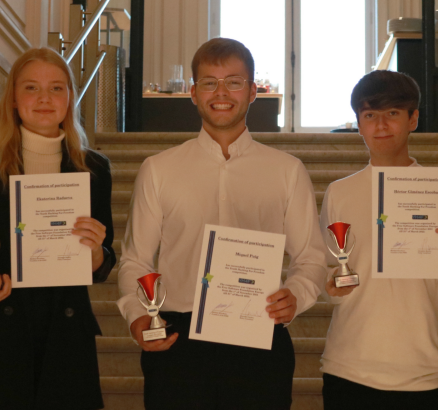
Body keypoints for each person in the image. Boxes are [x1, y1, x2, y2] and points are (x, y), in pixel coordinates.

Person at [116, 37, 326, 409]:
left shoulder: (287, 171)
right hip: (178, 341)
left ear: (252, 92)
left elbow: (310, 258)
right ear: (194, 93)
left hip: (260, 335)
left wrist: (297, 294)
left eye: (234, 81)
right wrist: (136, 317)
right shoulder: (158, 170)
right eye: (210, 82)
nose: (221, 92)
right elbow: (136, 261)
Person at [0, 47, 115, 410]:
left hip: (64, 333)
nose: (44, 98)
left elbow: (104, 263)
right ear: (14, 99)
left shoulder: (94, 168)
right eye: (31, 88)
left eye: (56, 88)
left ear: (69, 98)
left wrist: (96, 251)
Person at [319, 70, 438, 409]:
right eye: (370, 115)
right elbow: (327, 275)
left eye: (392, 113)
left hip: (420, 372)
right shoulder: (339, 193)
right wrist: (330, 286)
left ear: (413, 119)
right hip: (348, 366)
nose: (381, 126)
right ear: (358, 124)